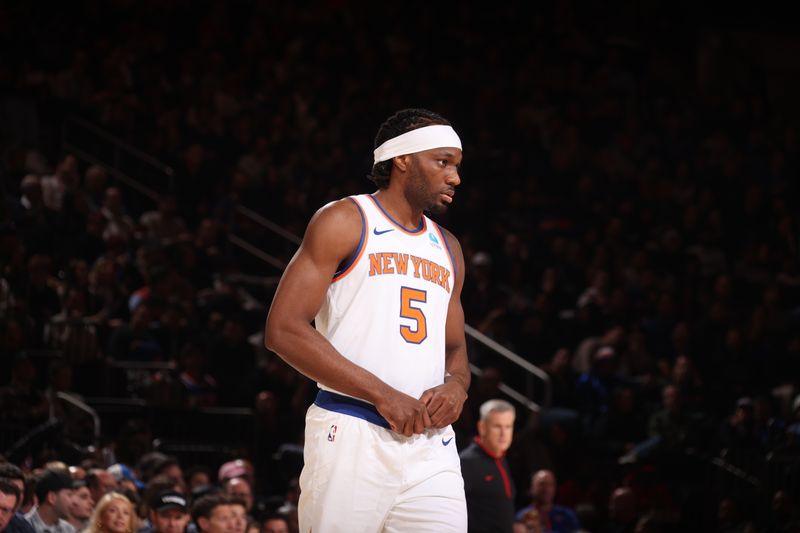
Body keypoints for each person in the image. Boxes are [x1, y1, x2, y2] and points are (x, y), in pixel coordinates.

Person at [265, 108, 470, 532]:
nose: (455, 178)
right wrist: (383, 394)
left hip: (431, 447)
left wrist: (456, 385)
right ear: (403, 159)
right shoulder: (345, 220)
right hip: (353, 432)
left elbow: (455, 348)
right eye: (443, 162)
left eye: (457, 166)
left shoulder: (447, 247)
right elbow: (283, 329)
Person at [460, 399, 517, 533]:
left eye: (508, 426)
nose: (504, 433)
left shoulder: (501, 457)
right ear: (482, 427)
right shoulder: (467, 462)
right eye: (497, 426)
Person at [515, 470, 580, 533]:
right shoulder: (523, 516)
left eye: (550, 484)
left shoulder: (566, 514)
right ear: (532, 488)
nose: (546, 489)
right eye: (542, 484)